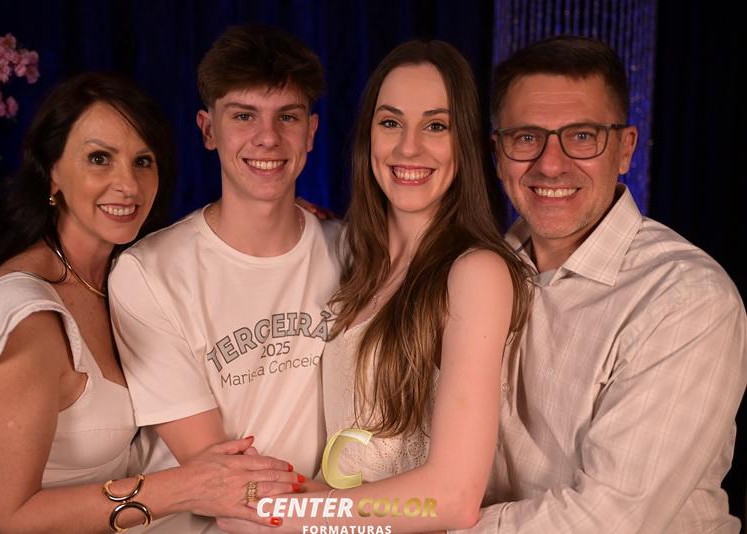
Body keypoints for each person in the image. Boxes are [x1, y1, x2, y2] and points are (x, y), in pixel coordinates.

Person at [0, 73, 298, 534]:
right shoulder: (21, 315)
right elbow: (4, 517)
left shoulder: (120, 279)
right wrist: (187, 488)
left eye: (143, 161)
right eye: (100, 159)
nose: (128, 184)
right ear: (52, 171)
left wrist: (292, 219)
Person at [217, 39, 531, 534]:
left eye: (436, 126)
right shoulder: (360, 266)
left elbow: (451, 498)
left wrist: (288, 516)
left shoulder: (475, 272)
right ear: (368, 137)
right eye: (390, 123)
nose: (408, 148)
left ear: (466, 144)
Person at [460, 35, 747, 533]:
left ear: (625, 148)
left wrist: (425, 523)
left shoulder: (686, 298)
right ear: (498, 153)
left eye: (582, 136)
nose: (550, 164)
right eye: (526, 137)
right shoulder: (478, 274)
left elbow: (607, 519)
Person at [107, 25, 341, 532]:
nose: (268, 137)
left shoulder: (351, 251)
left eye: (287, 117)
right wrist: (379, 512)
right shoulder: (148, 274)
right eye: (243, 116)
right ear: (208, 129)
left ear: (311, 132)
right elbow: (226, 489)